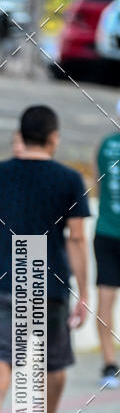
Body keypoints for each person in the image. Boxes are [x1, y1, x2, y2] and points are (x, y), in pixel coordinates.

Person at [0, 105, 90, 413]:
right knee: (55, 362)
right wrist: (82, 292)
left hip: (7, 279)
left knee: (3, 354)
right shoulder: (69, 179)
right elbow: (78, 239)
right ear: (54, 137)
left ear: (21, 134)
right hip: (50, 285)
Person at [93, 114, 120, 389]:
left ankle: (110, 363)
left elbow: (97, 184)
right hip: (109, 232)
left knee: (106, 298)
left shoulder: (104, 145)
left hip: (106, 231)